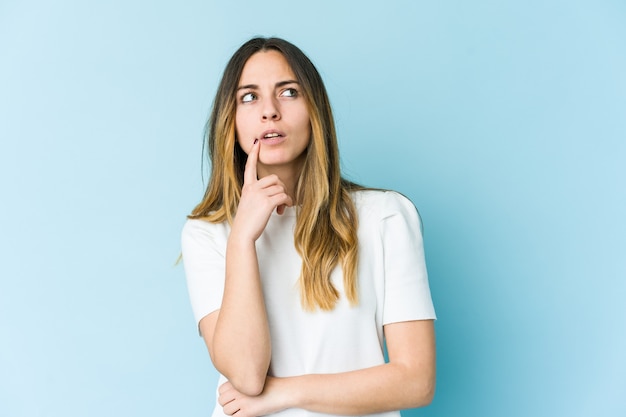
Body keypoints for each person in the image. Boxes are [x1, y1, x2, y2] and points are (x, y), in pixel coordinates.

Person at [181, 37, 436, 417]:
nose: (269, 111)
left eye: (288, 92)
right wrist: (242, 240)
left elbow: (416, 381)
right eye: (248, 97)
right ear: (229, 122)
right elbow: (247, 376)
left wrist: (283, 393)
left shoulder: (385, 216)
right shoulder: (208, 232)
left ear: (314, 109)